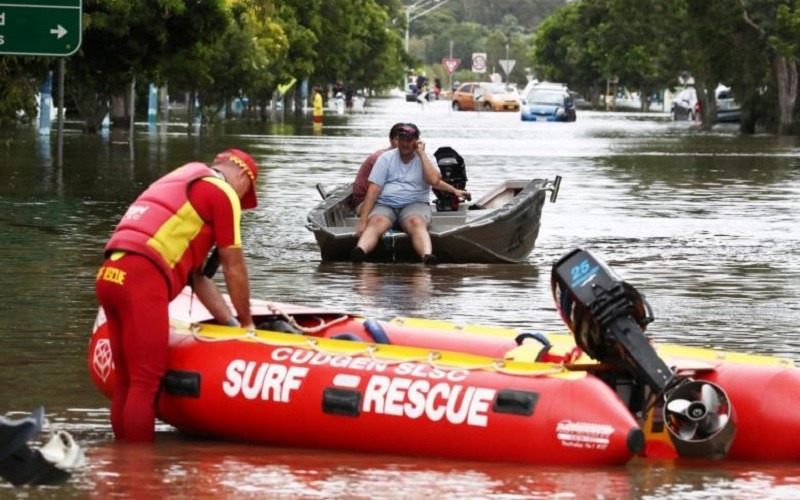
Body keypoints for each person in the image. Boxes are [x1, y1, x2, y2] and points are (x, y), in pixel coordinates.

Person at [95, 149, 259, 442]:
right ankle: (138, 476)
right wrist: (248, 325)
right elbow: (234, 268)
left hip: (111, 273)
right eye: (247, 193)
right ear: (242, 176)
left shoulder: (183, 178)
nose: (242, 202)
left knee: (126, 380)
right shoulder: (223, 193)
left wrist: (232, 325)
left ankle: (118, 470)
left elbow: (198, 279)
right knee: (145, 381)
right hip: (142, 278)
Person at [351, 123, 469, 265]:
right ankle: (360, 251)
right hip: (386, 204)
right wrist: (362, 222)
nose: (404, 144)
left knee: (416, 222)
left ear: (416, 142)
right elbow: (373, 190)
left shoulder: (423, 160)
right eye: (401, 139)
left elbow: (434, 181)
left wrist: (422, 154)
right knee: (376, 222)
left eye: (408, 140)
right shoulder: (385, 158)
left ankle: (427, 256)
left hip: (415, 204)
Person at [351, 122, 405, 214]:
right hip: (365, 202)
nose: (402, 144)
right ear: (391, 141)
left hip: (385, 200)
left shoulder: (403, 159)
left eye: (405, 140)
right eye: (397, 139)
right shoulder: (380, 158)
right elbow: (378, 191)